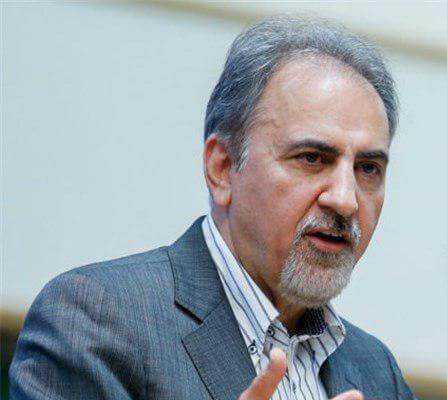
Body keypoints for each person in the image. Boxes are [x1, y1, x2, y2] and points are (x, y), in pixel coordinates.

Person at [9, 16, 414, 400]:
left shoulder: (376, 372)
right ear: (222, 168)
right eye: (311, 158)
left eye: (367, 168)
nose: (344, 199)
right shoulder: (97, 320)